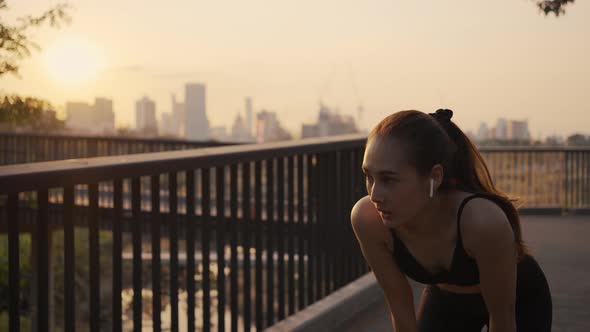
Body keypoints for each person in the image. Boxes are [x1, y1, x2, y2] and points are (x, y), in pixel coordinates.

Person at [350, 109, 552, 332]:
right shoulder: (368, 219)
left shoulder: (482, 221)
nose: (375, 194)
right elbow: (400, 306)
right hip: (447, 300)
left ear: (434, 177)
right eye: (369, 177)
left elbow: (502, 317)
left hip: (518, 300)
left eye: (389, 179)